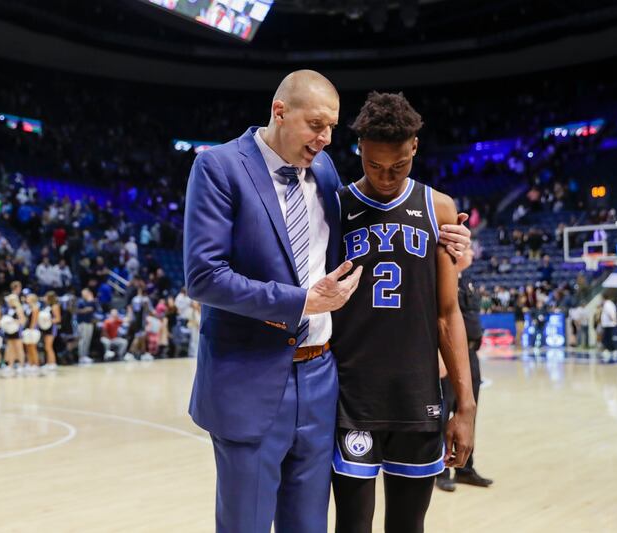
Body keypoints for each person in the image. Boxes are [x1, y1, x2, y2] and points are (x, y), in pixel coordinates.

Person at [183, 70, 471, 532]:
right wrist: (301, 303)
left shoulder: (323, 171)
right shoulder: (219, 166)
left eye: (332, 128)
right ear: (280, 112)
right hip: (253, 376)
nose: (325, 138)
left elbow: (375, 251)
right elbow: (204, 277)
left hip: (322, 380)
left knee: (310, 525)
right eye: (317, 125)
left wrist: (452, 249)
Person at [330, 92, 475, 533]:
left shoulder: (440, 208)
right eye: (374, 165)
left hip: (418, 396)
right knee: (352, 525)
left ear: (414, 147)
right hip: (352, 396)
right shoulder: (335, 206)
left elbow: (448, 314)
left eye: (398, 165)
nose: (386, 176)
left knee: (409, 526)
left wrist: (465, 406)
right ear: (359, 150)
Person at [437, 241, 493, 492]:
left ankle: (465, 467)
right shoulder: (443, 279)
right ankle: (441, 469)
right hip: (451, 355)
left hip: (470, 354)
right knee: (445, 412)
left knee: (469, 411)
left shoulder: (466, 279)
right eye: (468, 249)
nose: (471, 253)